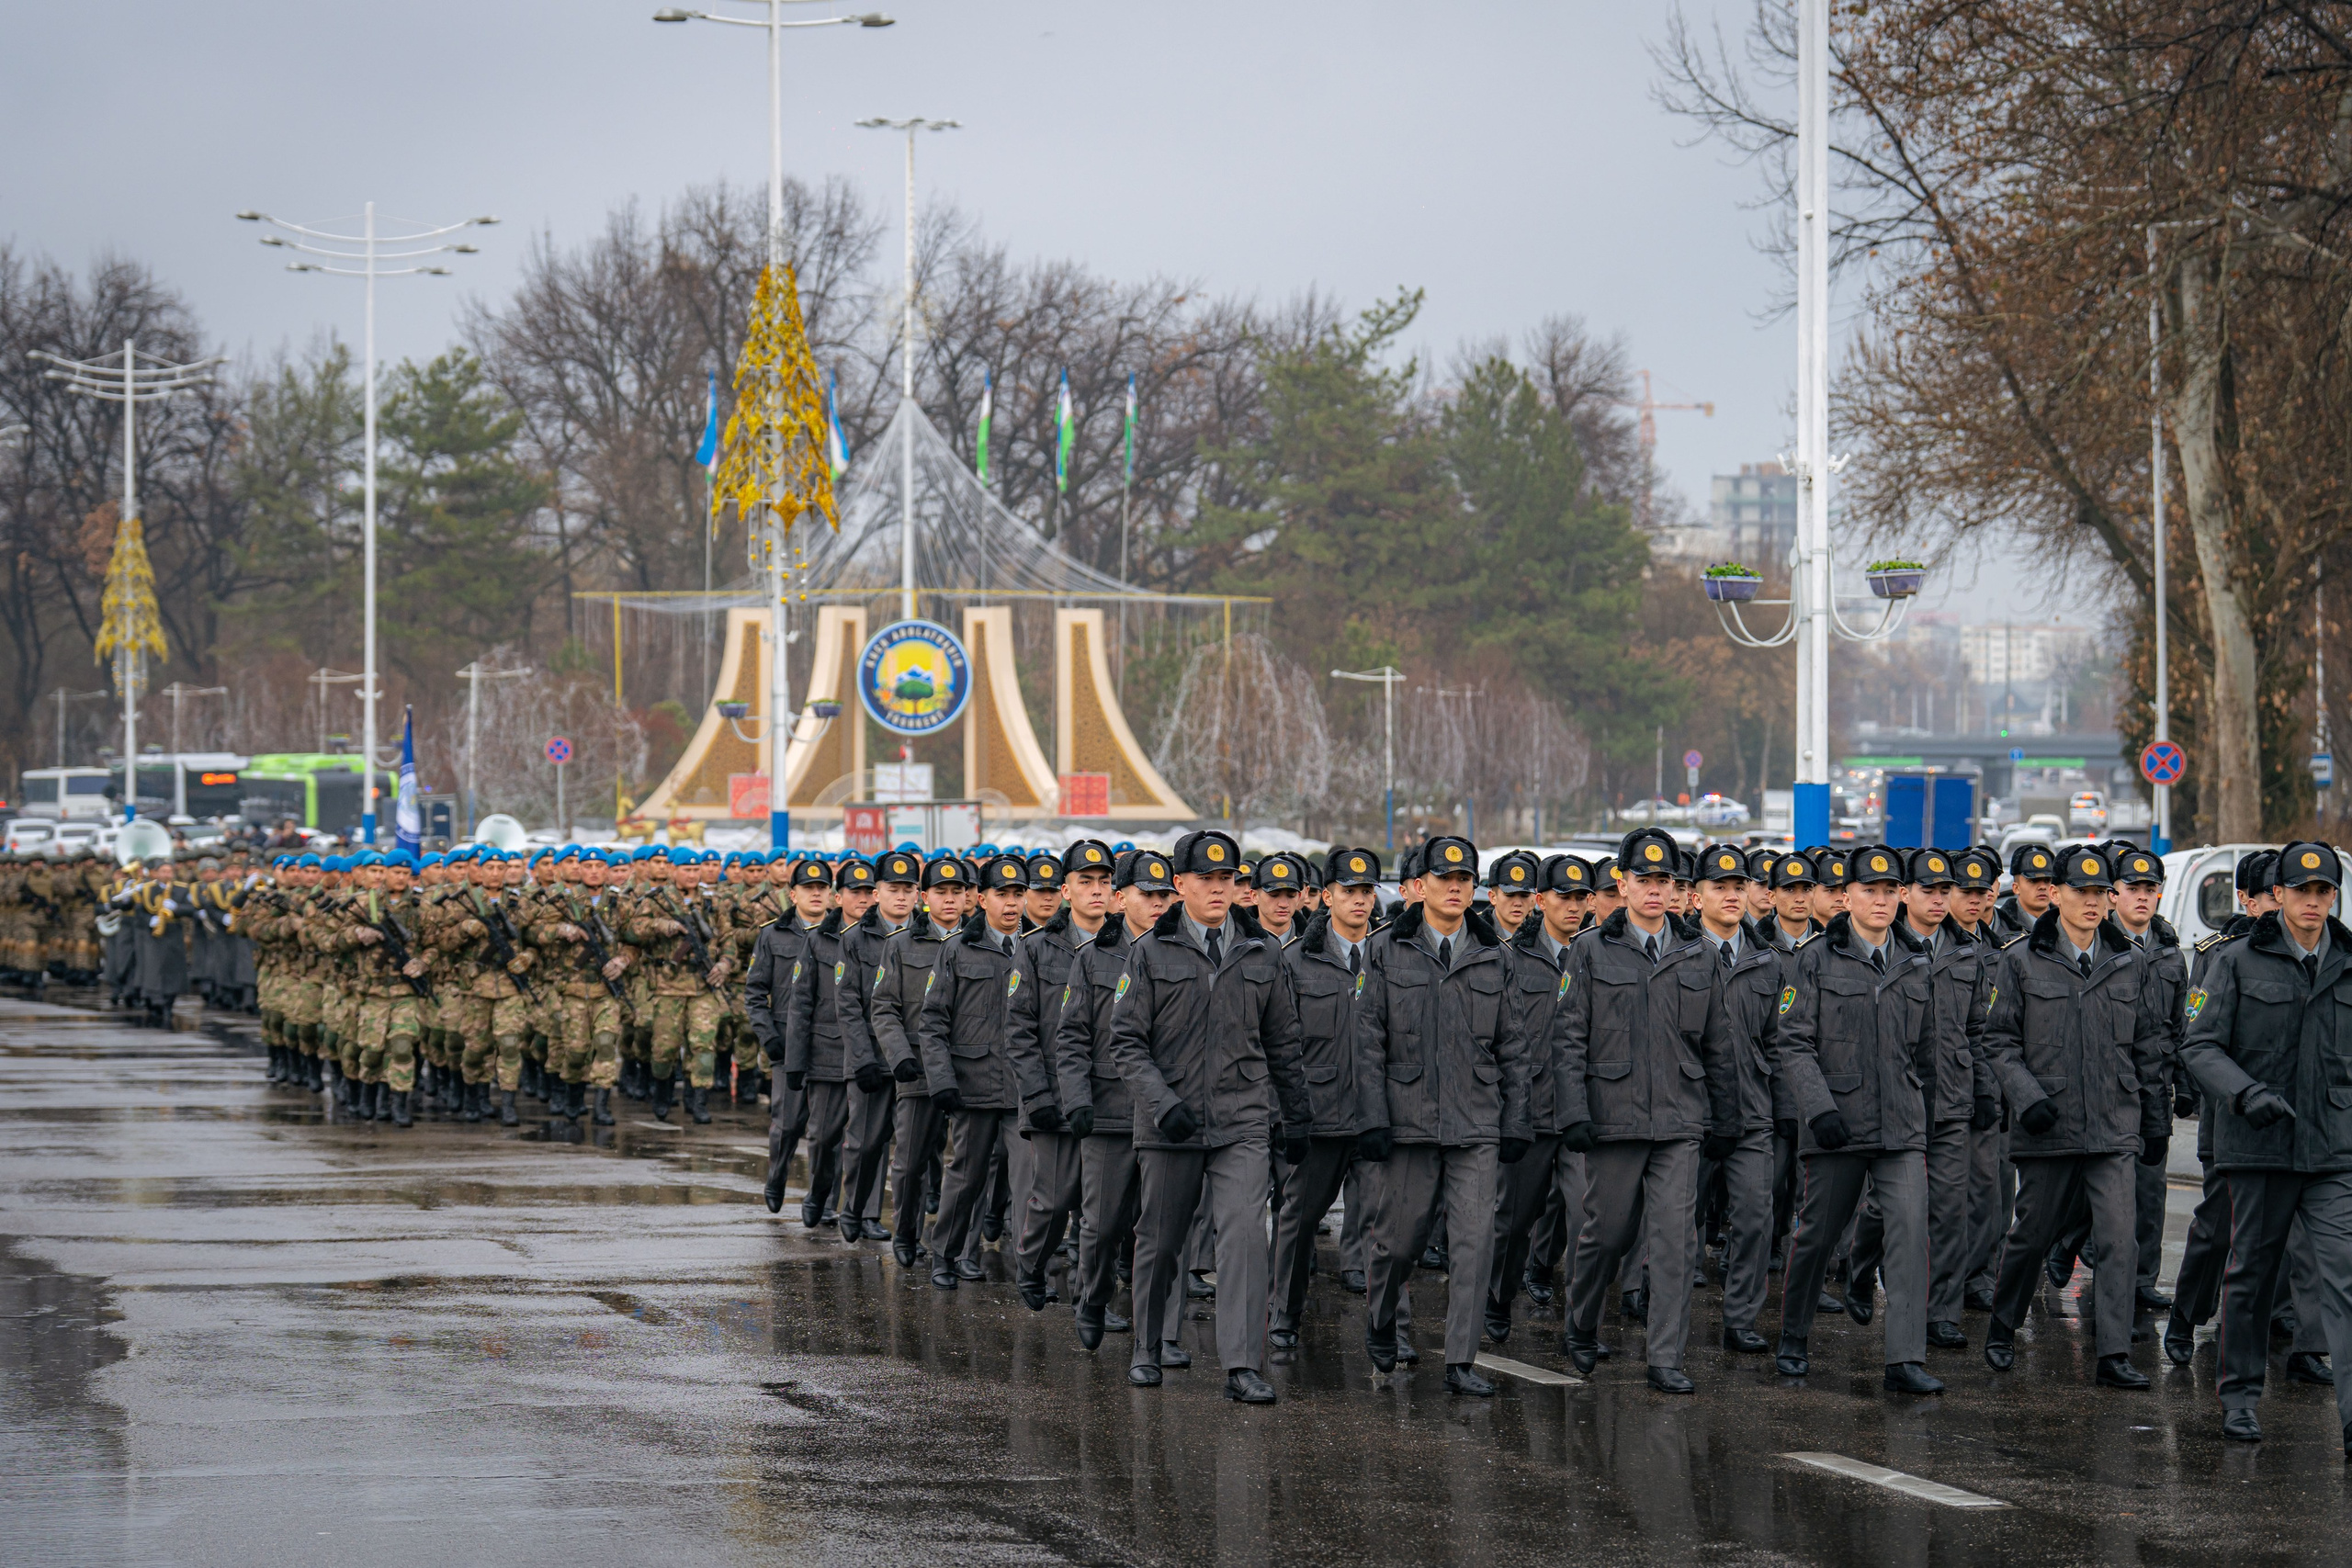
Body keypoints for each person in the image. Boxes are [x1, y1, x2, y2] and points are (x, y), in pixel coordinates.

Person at [1107, 828, 1311, 1404]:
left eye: (1228, 879)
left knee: (1246, 1236)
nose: (1219, 889)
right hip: (1170, 1124)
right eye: (1206, 879)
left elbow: (1282, 1041)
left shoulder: (1261, 953)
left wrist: (1296, 1117)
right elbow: (1126, 1043)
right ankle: (1148, 1345)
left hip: (1241, 1120)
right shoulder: (1148, 953)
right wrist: (1161, 1102)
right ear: (1180, 886)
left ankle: (1243, 1364)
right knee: (1162, 1238)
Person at [2177, 840, 2352, 1447]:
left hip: (2331, 1149)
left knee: (2343, 1275)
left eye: (2322, 891)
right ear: (2277, 894)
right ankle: (2241, 1397)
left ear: (2334, 895)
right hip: (2257, 1145)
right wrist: (2245, 1093)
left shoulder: (2348, 960)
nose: (2312, 902)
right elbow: (2198, 1045)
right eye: (2301, 890)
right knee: (2250, 1273)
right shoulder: (2235, 959)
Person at [1555, 828, 1735, 1393]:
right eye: (1645, 881)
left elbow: (1718, 1043)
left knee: (1676, 1240)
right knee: (1605, 1234)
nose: (1656, 891)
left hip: (1680, 1118)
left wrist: (1725, 1115)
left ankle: (1665, 1356)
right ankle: (1581, 1321)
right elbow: (1568, 1040)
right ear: (1622, 884)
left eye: (1665, 882)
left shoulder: (1697, 955)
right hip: (1613, 1116)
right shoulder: (1588, 950)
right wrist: (1574, 1113)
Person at [1772, 843, 1946, 1396]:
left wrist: (1931, 1118)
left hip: (1900, 1127)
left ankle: (1905, 1358)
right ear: (1845, 897)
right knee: (1817, 1235)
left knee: (1910, 1234)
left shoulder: (1917, 960)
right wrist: (1819, 1109)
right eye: (1868, 890)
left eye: (1889, 890)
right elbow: (1793, 1043)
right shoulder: (1815, 959)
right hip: (1836, 1126)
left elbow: (1929, 1051)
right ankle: (1794, 1335)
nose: (1879, 900)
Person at [1848, 849, 1996, 1351]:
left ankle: (1941, 1311)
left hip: (1951, 1096)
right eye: (1927, 890)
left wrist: (1983, 1087)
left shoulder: (1966, 951)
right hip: (1899, 1096)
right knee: (1887, 1205)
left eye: (1944, 891)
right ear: (1904, 893)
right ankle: (1861, 1264)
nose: (1938, 899)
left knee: (1949, 1206)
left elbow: (1976, 1030)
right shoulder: (1890, 947)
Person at [2046, 844, 2185, 1314]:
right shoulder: (2097, 944)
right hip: (2095, 1083)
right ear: (2113, 895)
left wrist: (2180, 1083)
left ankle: (2139, 1279)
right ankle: (2068, 1242)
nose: (2142, 898)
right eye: (2131, 888)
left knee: (2148, 1188)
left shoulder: (2169, 949)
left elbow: (2178, 1024)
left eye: (2151, 889)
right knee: (2095, 1188)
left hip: (2148, 1084)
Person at [1054, 847, 1173, 1348]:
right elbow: (1072, 1036)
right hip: (1109, 1108)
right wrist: (1077, 1100)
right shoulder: (1093, 958)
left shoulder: (1184, 953)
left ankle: (1160, 1332)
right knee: (1102, 1225)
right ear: (1122, 899)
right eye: (1148, 895)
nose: (1159, 904)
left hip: (1168, 1113)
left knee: (1162, 1231)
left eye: (1166, 894)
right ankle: (1093, 1295)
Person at [1267, 846, 1380, 1354]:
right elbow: (1277, 1044)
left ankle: (1389, 1329)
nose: (1359, 901)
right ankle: (1284, 1316)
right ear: (1326, 897)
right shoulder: (1295, 961)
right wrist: (1284, 1114)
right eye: (1349, 892)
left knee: (1387, 1223)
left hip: (1378, 1114)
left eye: (1367, 892)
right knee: (1299, 1217)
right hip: (1319, 1113)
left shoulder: (1388, 957)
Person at [1005, 839, 1114, 1310]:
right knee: (1052, 1201)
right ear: (1066, 891)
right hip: (1051, 1094)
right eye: (1085, 882)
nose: (1096, 891)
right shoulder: (1036, 948)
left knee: (1102, 1211)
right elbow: (1019, 1029)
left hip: (1108, 1095)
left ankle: (1092, 1298)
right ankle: (1031, 1262)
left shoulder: (1131, 946)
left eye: (1104, 882)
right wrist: (1037, 1096)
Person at [1485, 852, 1589, 1346]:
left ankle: (1583, 1323)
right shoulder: (1510, 956)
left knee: (1591, 1219)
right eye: (1562, 897)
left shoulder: (1595, 954)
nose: (1572, 907)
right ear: (1541, 900)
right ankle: (1498, 1298)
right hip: (1527, 1109)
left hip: (1581, 1112)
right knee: (1514, 1221)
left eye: (1580, 898)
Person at [1690, 841, 1788, 1354]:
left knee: (1754, 1217)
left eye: (1738, 887)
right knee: (1678, 1224)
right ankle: (1663, 1311)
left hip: (1750, 1111)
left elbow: (1776, 1040)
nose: (1731, 896)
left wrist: (1782, 1106)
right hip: (1689, 1110)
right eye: (1718, 888)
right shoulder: (1677, 953)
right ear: (1696, 895)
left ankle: (1741, 1318)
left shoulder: (1766, 962)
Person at [919, 853, 1028, 1289]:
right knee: (965, 1177)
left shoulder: (1037, 949)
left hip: (1023, 1088)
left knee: (1030, 1182)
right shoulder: (957, 949)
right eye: (1002, 894)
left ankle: (1031, 1268)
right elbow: (933, 1022)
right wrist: (942, 1081)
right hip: (973, 1085)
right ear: (980, 899)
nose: (1012, 903)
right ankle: (947, 1253)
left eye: (1018, 894)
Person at [869, 855, 971, 1264]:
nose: (949, 901)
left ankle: (957, 1245)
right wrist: (899, 1057)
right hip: (918, 1069)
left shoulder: (984, 942)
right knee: (910, 1163)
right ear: (923, 897)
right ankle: (906, 1234)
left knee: (967, 1165)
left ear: (968, 897)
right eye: (940, 893)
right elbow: (884, 1008)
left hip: (970, 1069)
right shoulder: (899, 945)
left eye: (957, 893)